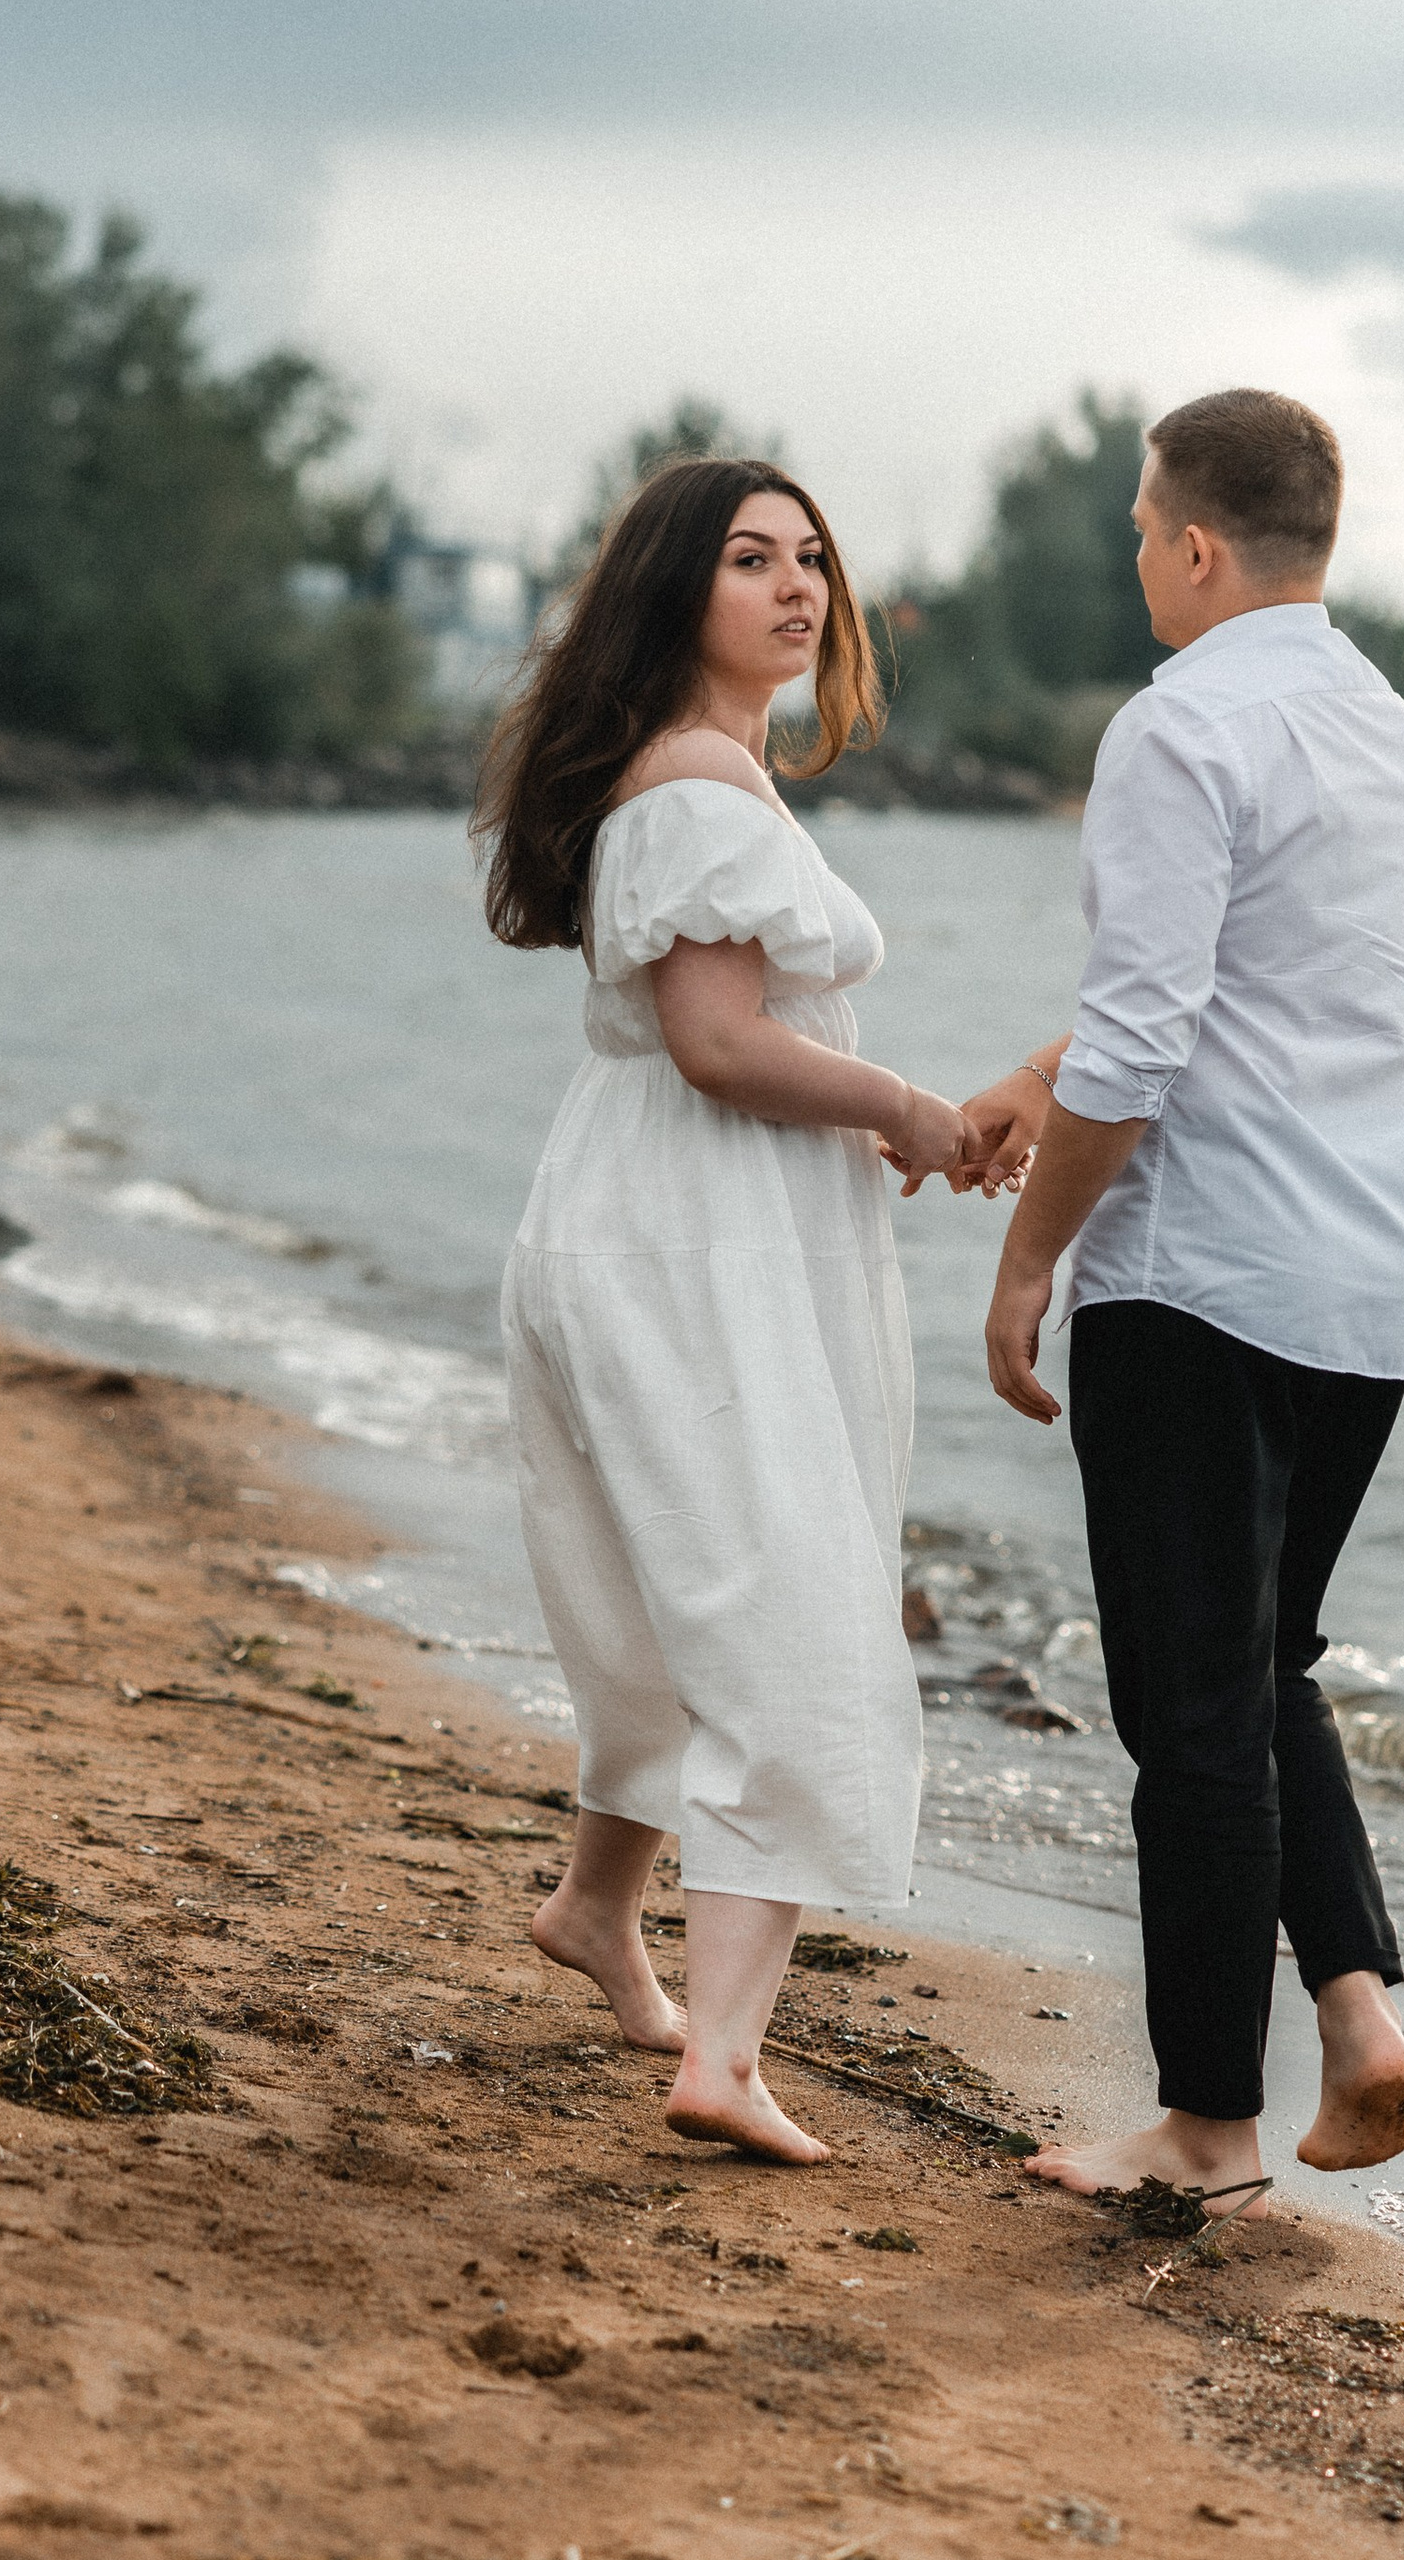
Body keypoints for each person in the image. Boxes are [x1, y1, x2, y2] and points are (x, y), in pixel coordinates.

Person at [960, 388, 1404, 2207]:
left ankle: (1208, 2128)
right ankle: (1359, 2014)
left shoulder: (1179, 724)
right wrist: (1042, 1074)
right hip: (1367, 1276)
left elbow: (1153, 1039)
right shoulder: (1389, 728)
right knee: (1259, 1666)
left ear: (1193, 544)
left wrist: (1032, 1255)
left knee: (1191, 1710)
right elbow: (1265, 994)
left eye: (1139, 533)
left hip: (1203, 1279)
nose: (1138, 563)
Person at [476, 456, 968, 2164]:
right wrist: (905, 1108)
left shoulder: (683, 772)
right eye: (751, 559)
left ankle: (597, 1909)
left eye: (812, 557)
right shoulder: (696, 787)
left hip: (639, 1218)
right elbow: (716, 1045)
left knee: (663, 1594)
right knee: (787, 1608)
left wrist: (880, 1116)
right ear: (675, 590)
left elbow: (722, 1042)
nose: (797, 586)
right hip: (699, 1242)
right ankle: (730, 2055)